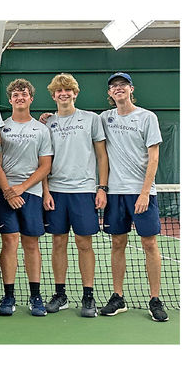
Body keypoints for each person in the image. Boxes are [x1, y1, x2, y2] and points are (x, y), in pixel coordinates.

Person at [98, 72, 168, 322]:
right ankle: (118, 297)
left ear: (131, 89)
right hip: (115, 193)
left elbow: (154, 157)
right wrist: (49, 118)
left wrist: (145, 192)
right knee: (118, 243)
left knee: (149, 244)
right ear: (109, 93)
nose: (118, 89)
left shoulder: (147, 117)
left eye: (122, 85)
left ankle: (155, 299)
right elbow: (79, 122)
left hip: (142, 193)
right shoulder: (104, 118)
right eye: (114, 86)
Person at [39, 73, 109, 317]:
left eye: (67, 90)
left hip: (84, 191)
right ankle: (60, 294)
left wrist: (102, 187)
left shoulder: (91, 119)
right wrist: (46, 191)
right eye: (59, 91)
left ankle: (88, 296)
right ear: (53, 95)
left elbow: (102, 155)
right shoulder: (47, 123)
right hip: (56, 192)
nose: (63, 93)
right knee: (58, 242)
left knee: (84, 244)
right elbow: (44, 160)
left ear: (75, 93)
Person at [0, 79, 53, 317]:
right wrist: (8, 190)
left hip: (32, 193)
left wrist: (22, 188)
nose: (20, 97)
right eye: (16, 94)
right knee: (9, 242)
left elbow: (45, 165)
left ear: (31, 99)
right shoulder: (0, 128)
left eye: (24, 94)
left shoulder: (41, 130)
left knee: (31, 243)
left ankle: (35, 296)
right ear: (10, 100)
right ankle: (8, 296)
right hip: (4, 193)